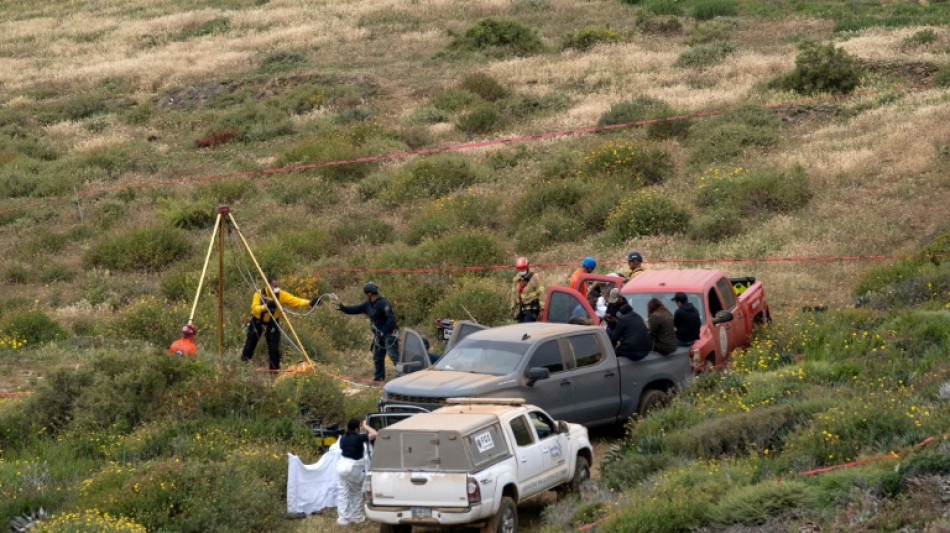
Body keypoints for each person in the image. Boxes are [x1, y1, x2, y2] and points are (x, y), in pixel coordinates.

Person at [241, 277, 320, 371]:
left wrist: (310, 302)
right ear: (268, 286)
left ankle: (274, 372)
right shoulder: (259, 294)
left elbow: (295, 300)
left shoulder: (281, 295)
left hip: (273, 323)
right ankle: (243, 368)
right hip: (257, 322)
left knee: (274, 349)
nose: (277, 288)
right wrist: (265, 307)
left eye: (277, 286)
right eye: (274, 286)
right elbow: (254, 309)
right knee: (249, 346)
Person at [337, 281, 399, 382]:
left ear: (369, 293)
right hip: (378, 335)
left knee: (394, 356)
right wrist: (343, 308)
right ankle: (379, 379)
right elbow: (356, 309)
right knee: (377, 357)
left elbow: (391, 320)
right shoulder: (368, 305)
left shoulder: (384, 303)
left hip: (388, 334)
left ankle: (403, 377)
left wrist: (383, 332)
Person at [335, 418, 377, 526]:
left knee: (343, 494)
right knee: (356, 493)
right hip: (354, 468)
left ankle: (343, 519)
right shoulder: (359, 438)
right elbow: (375, 434)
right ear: (358, 427)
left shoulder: (342, 438)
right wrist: (365, 426)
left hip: (341, 467)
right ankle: (357, 517)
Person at [510, 257, 544, 323]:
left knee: (527, 328)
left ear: (527, 266)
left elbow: (541, 293)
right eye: (519, 268)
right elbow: (513, 294)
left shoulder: (534, 277)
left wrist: (542, 309)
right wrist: (512, 308)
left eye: (523, 268)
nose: (521, 270)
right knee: (520, 328)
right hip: (521, 309)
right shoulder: (516, 279)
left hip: (531, 310)